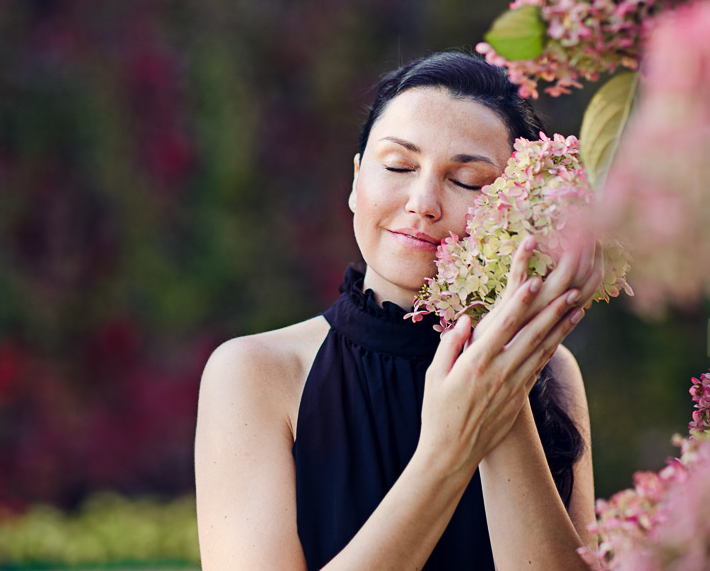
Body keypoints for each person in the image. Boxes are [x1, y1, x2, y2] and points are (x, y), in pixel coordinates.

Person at [195, 51, 603, 570]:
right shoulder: (256, 373)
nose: (423, 201)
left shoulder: (553, 371)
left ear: (516, 210)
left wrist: (502, 386)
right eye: (398, 166)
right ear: (356, 180)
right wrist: (449, 453)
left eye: (468, 181)